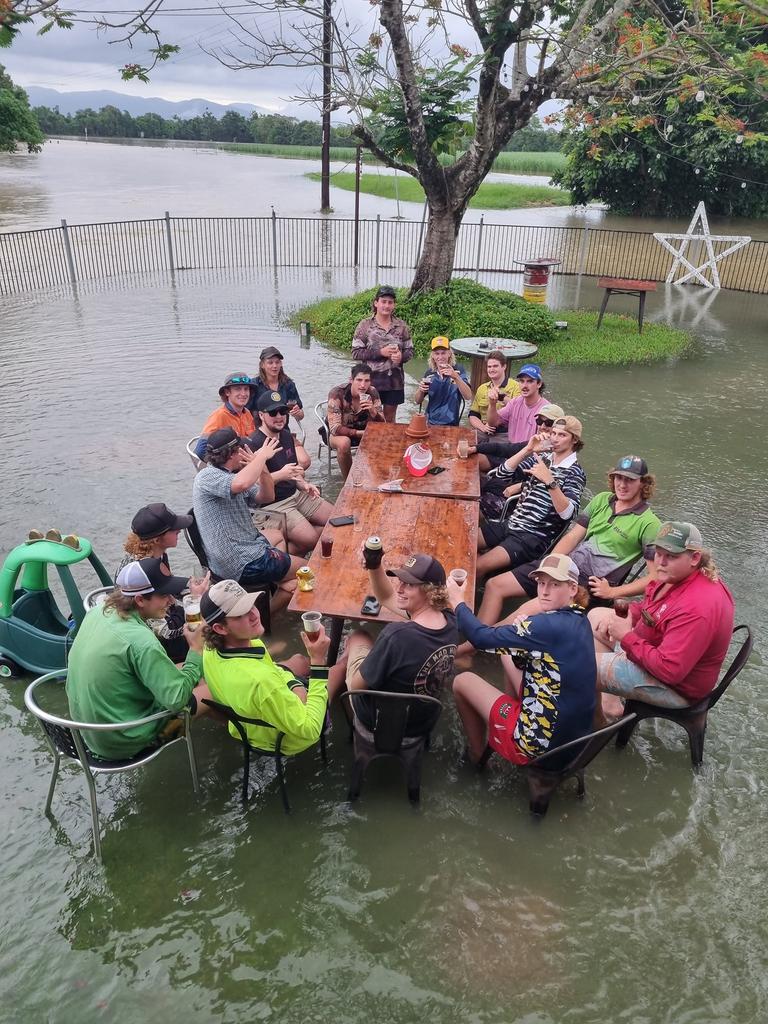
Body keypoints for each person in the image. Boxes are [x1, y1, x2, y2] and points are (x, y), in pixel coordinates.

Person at [472, 455, 661, 630]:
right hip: (566, 567)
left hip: (590, 585)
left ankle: (476, 643)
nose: (622, 484)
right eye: (619, 478)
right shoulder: (602, 499)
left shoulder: (649, 523)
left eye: (630, 480)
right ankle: (478, 641)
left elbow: (655, 577)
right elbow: (572, 537)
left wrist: (612, 592)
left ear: (643, 483)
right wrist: (551, 563)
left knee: (528, 609)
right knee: (495, 585)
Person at [447, 554, 596, 766]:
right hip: (574, 741)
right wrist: (523, 637)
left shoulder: (543, 626)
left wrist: (458, 602)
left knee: (462, 681)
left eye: (555, 584)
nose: (544, 591)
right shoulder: (581, 620)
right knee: (508, 652)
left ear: (572, 589)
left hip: (537, 746)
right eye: (541, 583)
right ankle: (508, 712)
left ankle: (476, 756)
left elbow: (480, 638)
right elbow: (538, 659)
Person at [66, 558, 211, 760]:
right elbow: (177, 700)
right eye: (164, 595)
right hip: (126, 742)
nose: (171, 601)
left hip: (87, 733)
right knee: (213, 685)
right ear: (140, 600)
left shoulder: (99, 612)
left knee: (189, 669)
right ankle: (239, 735)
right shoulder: (141, 642)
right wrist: (196, 648)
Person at [589, 521, 735, 721]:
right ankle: (609, 707)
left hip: (675, 687)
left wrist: (626, 637)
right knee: (596, 615)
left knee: (579, 665)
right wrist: (627, 614)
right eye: (658, 553)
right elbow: (652, 610)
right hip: (654, 650)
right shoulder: (675, 575)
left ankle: (597, 728)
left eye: (671, 556)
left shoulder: (698, 606)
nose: (660, 562)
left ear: (695, 557)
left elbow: (670, 671)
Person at [201, 580, 346, 754]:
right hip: (283, 739)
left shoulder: (210, 648)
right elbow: (311, 730)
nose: (254, 615)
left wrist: (296, 686)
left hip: (249, 728)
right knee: (340, 668)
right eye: (240, 615)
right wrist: (317, 660)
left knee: (299, 660)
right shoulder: (260, 682)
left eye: (251, 606)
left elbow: (273, 669)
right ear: (220, 628)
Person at [333, 552, 458, 737]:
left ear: (429, 591)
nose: (399, 588)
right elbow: (386, 597)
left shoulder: (395, 635)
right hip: (423, 720)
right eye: (400, 581)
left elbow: (355, 687)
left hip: (378, 720)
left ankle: (338, 676)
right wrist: (374, 567)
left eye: (408, 585)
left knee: (357, 636)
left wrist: (369, 658)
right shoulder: (451, 620)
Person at [192, 427, 303, 608]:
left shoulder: (232, 474)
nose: (247, 452)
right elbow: (241, 484)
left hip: (246, 543)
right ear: (233, 454)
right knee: (309, 570)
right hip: (238, 559)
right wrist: (260, 457)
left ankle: (277, 583)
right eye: (242, 449)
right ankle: (269, 616)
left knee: (276, 535)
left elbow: (265, 497)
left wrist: (263, 470)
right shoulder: (207, 476)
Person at [477, 415, 586, 579]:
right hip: (511, 524)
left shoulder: (575, 472)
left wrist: (549, 480)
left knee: (477, 566)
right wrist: (527, 450)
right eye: (554, 433)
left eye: (562, 435)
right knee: (462, 542)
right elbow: (502, 474)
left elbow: (568, 514)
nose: (555, 439)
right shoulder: (544, 459)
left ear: (574, 440)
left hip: (531, 538)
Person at [115, 502, 211, 662]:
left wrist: (195, 594)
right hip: (157, 636)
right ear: (158, 539)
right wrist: (196, 604)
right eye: (174, 529)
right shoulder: (144, 570)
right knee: (211, 623)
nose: (179, 530)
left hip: (161, 615)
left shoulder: (157, 554)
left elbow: (167, 588)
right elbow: (167, 632)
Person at [246, 390, 334, 554]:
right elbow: (252, 485)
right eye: (273, 412)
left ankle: (291, 543)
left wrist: (304, 484)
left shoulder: (286, 436)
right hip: (273, 505)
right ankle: (285, 552)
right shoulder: (253, 444)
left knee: (336, 519)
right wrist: (281, 474)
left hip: (295, 493)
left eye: (283, 411)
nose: (279, 416)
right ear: (261, 415)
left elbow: (293, 471)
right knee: (311, 539)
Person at [351, 285, 414, 423]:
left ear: (394, 305)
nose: (386, 305)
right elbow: (356, 353)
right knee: (371, 419)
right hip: (370, 382)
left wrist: (400, 357)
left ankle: (390, 444)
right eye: (383, 301)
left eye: (390, 302)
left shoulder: (402, 326)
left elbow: (410, 351)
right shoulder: (365, 325)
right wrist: (381, 352)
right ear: (376, 303)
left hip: (394, 382)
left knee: (390, 420)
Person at [474, 363, 551, 472]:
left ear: (539, 384)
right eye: (522, 381)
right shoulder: (515, 402)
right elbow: (492, 422)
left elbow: (547, 444)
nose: (525, 385)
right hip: (509, 451)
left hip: (528, 458)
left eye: (530, 381)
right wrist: (492, 403)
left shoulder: (546, 410)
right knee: (474, 459)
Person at [326, 363, 385, 479]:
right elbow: (334, 428)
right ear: (351, 380)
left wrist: (373, 411)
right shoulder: (337, 393)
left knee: (387, 438)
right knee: (344, 443)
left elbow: (383, 425)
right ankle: (349, 481)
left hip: (364, 432)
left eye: (367, 381)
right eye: (359, 380)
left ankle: (376, 477)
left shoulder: (372, 393)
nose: (363, 385)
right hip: (339, 434)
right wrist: (359, 433)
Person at [195, 372, 257, 458]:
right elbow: (200, 451)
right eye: (238, 389)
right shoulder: (219, 416)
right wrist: (220, 466)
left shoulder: (247, 413)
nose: (243, 394)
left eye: (246, 389)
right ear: (227, 392)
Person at [416, 336, 473, 426]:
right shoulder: (429, 373)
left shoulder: (458, 370)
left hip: (451, 423)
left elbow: (468, 396)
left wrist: (456, 377)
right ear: (433, 356)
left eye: (443, 353)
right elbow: (418, 401)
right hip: (430, 422)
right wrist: (420, 389)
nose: (440, 357)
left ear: (449, 353)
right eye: (437, 353)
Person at [247, 345, 305, 426]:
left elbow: (301, 416)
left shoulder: (288, 385)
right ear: (262, 365)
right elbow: (244, 412)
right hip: (258, 430)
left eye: (277, 362)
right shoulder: (254, 385)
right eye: (270, 363)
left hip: (282, 430)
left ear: (281, 364)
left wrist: (297, 413)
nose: (274, 366)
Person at [467, 351, 521, 436]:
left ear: (504, 367)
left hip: (506, 432)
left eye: (495, 366)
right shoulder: (482, 388)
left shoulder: (516, 386)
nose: (491, 369)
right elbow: (473, 415)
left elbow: (519, 410)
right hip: (483, 431)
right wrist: (482, 427)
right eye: (489, 366)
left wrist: (501, 397)